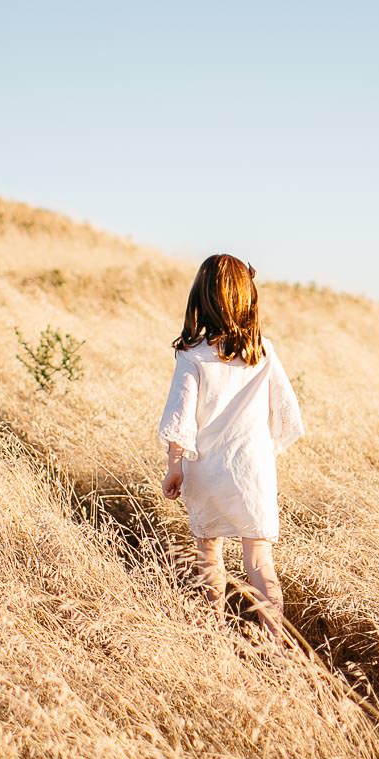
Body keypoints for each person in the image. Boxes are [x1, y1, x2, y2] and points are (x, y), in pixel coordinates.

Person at [157, 254, 304, 626]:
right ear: (246, 298)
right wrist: (264, 452)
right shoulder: (263, 352)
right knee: (260, 564)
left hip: (206, 472)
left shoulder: (191, 355)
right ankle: (277, 648)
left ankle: (213, 634)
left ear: (201, 299)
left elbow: (181, 416)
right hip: (252, 472)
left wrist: (174, 467)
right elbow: (286, 412)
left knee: (209, 559)